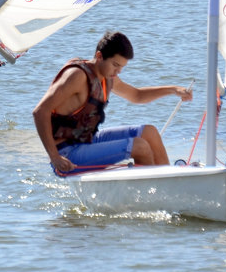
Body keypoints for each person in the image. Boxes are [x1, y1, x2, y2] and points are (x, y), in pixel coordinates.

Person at [32, 30, 192, 175]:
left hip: (88, 141)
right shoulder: (77, 76)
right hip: (67, 154)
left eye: (122, 67)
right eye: (115, 65)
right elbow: (40, 111)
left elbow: (136, 95)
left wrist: (173, 90)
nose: (118, 72)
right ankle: (151, 194)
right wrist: (55, 157)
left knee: (149, 132)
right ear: (99, 56)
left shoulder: (108, 77)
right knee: (139, 146)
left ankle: (167, 181)